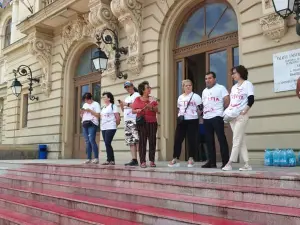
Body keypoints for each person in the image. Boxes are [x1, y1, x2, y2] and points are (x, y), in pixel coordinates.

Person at [222, 65, 255, 171]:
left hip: (242, 116)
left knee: (236, 139)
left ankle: (229, 163)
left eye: (235, 73)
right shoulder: (234, 87)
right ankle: (247, 164)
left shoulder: (247, 84)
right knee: (241, 140)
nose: (233, 75)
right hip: (232, 116)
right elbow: (232, 102)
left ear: (240, 73)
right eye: (232, 73)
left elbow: (251, 98)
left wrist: (246, 110)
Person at [168, 79, 202, 168]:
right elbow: (179, 109)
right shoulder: (180, 97)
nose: (188, 87)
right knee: (177, 139)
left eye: (190, 85)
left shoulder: (196, 96)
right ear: (183, 87)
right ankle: (175, 158)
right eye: (186, 85)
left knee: (192, 139)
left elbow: (200, 109)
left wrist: (195, 115)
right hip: (182, 120)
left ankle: (191, 158)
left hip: (192, 120)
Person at [201, 72, 230, 169]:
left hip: (217, 116)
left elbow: (227, 100)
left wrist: (221, 110)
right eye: (206, 79)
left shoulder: (221, 88)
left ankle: (225, 162)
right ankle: (212, 162)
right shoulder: (204, 91)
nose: (207, 80)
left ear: (214, 79)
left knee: (221, 139)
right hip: (206, 118)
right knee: (209, 141)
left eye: (209, 78)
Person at [132, 81, 158, 168]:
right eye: (148, 88)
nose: (150, 89)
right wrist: (138, 110)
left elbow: (157, 110)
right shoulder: (137, 99)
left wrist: (150, 106)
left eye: (149, 87)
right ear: (143, 90)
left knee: (152, 141)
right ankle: (142, 161)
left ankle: (152, 161)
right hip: (142, 123)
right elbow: (133, 110)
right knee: (142, 142)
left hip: (152, 122)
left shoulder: (152, 99)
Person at [119, 81, 140, 166]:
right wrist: (121, 105)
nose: (127, 88)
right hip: (127, 121)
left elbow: (137, 106)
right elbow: (124, 110)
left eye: (128, 86)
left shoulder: (137, 95)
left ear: (132, 86)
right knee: (130, 141)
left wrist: (126, 104)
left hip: (134, 120)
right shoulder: (127, 97)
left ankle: (141, 158)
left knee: (137, 140)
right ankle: (134, 159)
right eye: (126, 87)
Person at [100, 92, 120, 165]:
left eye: (105, 97)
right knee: (106, 143)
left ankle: (111, 160)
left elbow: (117, 117)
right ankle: (109, 160)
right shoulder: (103, 107)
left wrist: (115, 125)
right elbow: (102, 117)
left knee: (107, 142)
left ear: (109, 98)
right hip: (104, 128)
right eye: (103, 97)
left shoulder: (113, 106)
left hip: (111, 126)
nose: (103, 98)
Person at [80, 92, 101, 164]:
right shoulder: (85, 104)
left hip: (92, 123)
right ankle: (88, 158)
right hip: (85, 123)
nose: (86, 102)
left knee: (92, 140)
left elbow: (98, 115)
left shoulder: (96, 104)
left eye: (87, 100)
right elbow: (81, 115)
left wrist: (90, 111)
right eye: (85, 100)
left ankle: (96, 158)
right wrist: (81, 112)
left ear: (91, 99)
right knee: (87, 141)